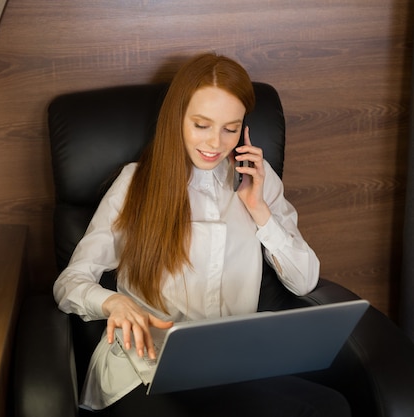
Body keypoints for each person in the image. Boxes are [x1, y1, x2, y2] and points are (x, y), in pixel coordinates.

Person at [53, 52, 350, 416]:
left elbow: (305, 280)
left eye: (230, 128)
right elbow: (69, 283)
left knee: (330, 407)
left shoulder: (258, 178)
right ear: (178, 118)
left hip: (229, 367)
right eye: (201, 125)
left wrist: (259, 210)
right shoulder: (135, 184)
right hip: (144, 368)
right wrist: (112, 302)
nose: (215, 143)